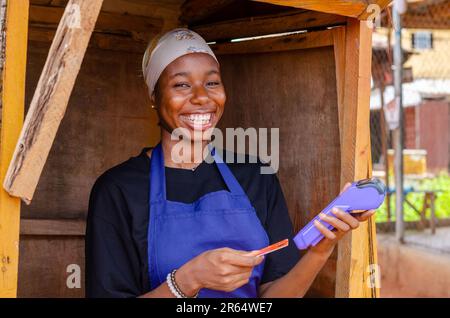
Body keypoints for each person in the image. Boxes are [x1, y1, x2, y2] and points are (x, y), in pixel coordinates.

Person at [85, 28, 375, 298]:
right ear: (154, 97)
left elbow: (272, 295)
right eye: (182, 84)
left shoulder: (256, 177)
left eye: (212, 82)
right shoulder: (118, 189)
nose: (202, 97)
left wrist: (321, 250)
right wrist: (188, 280)